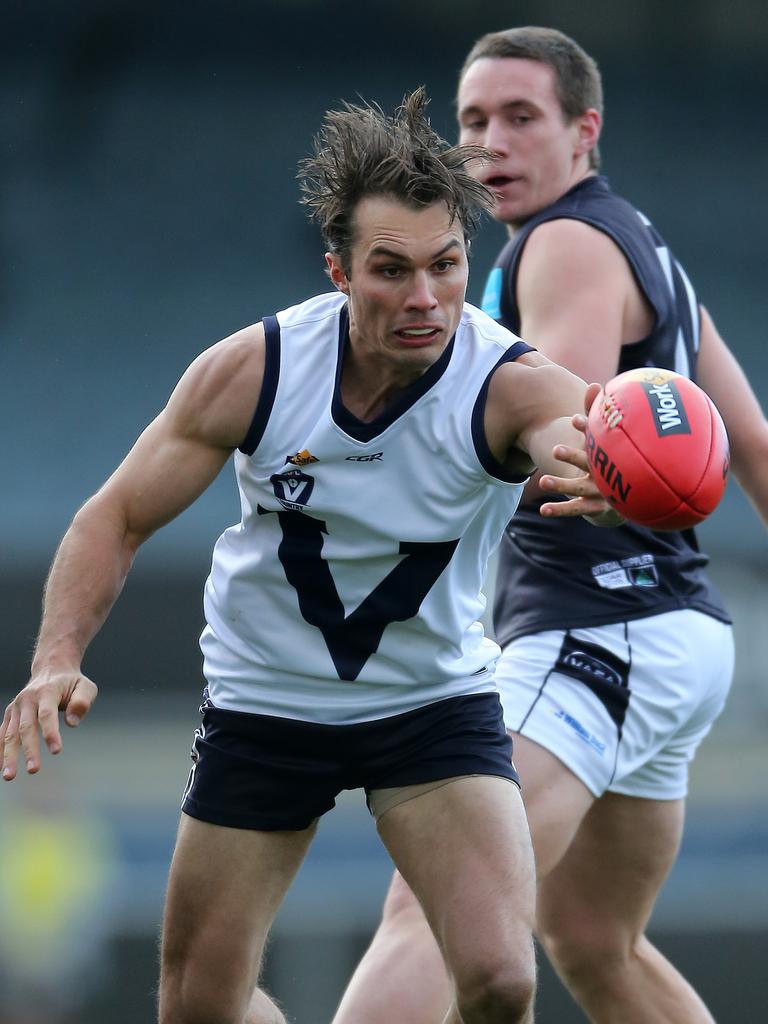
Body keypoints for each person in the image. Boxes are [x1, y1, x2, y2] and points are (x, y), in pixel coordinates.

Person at [0, 88, 618, 1024]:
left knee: (499, 980)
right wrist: (55, 660)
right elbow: (115, 516)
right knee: (197, 1008)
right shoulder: (255, 371)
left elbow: (572, 435)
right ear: (337, 269)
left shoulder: (511, 383)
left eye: (446, 265)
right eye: (391, 269)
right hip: (267, 703)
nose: (424, 298)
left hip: (431, 704)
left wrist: (609, 475)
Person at [333, 28, 768, 1024]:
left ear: (586, 131)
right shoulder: (643, 246)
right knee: (592, 938)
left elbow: (561, 434)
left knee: (440, 901)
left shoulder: (563, 243)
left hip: (593, 628)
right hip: (672, 634)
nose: (490, 141)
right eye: (473, 119)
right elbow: (751, 443)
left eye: (521, 117)